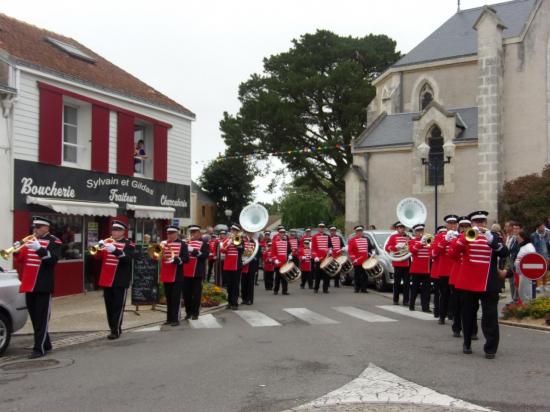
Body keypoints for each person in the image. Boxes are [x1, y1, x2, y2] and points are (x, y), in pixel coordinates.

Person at [450, 211, 508, 359]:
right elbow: (452, 254)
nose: (480, 225)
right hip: (468, 282)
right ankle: (467, 342)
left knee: (490, 316)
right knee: (468, 314)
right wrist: (464, 239)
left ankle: (490, 348)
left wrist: (493, 241)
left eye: (483, 222)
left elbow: (504, 253)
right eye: (477, 222)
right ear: (472, 224)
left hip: (488, 282)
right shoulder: (465, 236)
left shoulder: (494, 237)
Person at [13, 216, 61, 358]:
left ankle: (38, 348)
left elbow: (53, 260)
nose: (36, 230)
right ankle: (46, 343)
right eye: (34, 227)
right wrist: (16, 251)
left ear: (47, 228)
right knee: (35, 317)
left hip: (43, 285)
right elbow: (22, 260)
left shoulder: (54, 241)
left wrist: (39, 249)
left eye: (39, 227)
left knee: (42, 318)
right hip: (29, 285)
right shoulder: (29, 240)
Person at [94, 220, 135, 340]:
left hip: (120, 280)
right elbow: (97, 257)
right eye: (113, 230)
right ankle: (113, 327)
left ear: (123, 231)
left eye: (117, 230)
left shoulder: (129, 244)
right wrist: (99, 248)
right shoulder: (107, 242)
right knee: (109, 306)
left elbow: (127, 259)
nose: (114, 232)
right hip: (106, 279)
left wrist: (115, 250)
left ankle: (115, 330)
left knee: (118, 306)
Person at [154, 225, 189, 326]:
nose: (170, 235)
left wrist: (177, 260)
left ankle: (175, 319)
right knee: (168, 297)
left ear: (177, 233)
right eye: (168, 233)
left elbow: (186, 259)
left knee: (176, 298)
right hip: (166, 274)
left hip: (177, 275)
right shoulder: (163, 243)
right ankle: (169, 318)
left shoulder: (183, 244)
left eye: (172, 233)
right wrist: (157, 249)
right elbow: (155, 256)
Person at [431, 215, 459, 324]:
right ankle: (442, 316)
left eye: (454, 223)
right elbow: (434, 253)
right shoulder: (440, 236)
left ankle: (453, 315)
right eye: (450, 223)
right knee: (444, 294)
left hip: (456, 270)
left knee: (455, 296)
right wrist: (445, 240)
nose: (452, 225)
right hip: (444, 271)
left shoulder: (460, 236)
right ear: (446, 225)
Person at [183, 225, 209, 319]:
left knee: (196, 294)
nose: (193, 234)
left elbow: (204, 256)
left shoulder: (204, 243)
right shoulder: (185, 242)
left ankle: (195, 313)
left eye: (195, 232)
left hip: (197, 273)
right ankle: (188, 312)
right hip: (185, 272)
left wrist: (193, 250)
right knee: (186, 294)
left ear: (199, 233)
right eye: (191, 232)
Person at [385, 222, 410, 306]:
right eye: (400, 228)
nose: (401, 229)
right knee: (397, 283)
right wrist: (395, 247)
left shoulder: (408, 237)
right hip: (397, 263)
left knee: (407, 283)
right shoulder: (393, 237)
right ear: (397, 229)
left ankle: (406, 300)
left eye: (403, 227)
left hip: (406, 262)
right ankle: (395, 299)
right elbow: (387, 247)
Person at [408, 224, 432, 312]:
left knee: (426, 290)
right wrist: (420, 243)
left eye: (421, 230)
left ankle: (425, 307)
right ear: (415, 232)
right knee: (414, 288)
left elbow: (431, 251)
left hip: (426, 269)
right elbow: (412, 250)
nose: (420, 232)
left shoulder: (428, 240)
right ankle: (411, 305)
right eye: (418, 231)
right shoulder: (412, 241)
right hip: (416, 269)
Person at [221, 224, 245, 310]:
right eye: (232, 230)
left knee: (235, 285)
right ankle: (229, 302)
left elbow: (241, 250)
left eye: (234, 230)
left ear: (237, 232)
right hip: (227, 265)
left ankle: (235, 303)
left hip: (236, 266)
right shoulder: (227, 239)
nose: (232, 232)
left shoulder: (239, 239)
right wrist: (226, 244)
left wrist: (234, 240)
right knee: (229, 285)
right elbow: (222, 250)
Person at [348, 225, 373, 293]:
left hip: (365, 260)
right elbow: (350, 251)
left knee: (365, 275)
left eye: (361, 231)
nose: (360, 233)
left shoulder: (367, 239)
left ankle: (364, 288)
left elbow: (370, 248)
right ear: (356, 232)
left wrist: (371, 253)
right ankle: (357, 288)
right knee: (357, 275)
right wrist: (354, 258)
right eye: (358, 231)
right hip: (357, 261)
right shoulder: (352, 240)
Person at [515, 230, 537, 304]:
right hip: (522, 274)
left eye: (518, 237)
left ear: (523, 238)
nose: (517, 238)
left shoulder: (529, 248)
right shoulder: (524, 247)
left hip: (527, 275)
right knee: (522, 292)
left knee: (526, 294)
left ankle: (528, 309)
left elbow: (532, 262)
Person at [312, 223, 332, 294]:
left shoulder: (328, 236)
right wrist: (315, 256)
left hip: (326, 259)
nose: (321, 228)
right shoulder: (314, 237)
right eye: (320, 227)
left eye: (323, 227)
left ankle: (325, 289)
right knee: (318, 275)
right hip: (318, 259)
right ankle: (316, 288)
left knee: (326, 274)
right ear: (318, 228)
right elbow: (313, 249)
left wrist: (330, 250)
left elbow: (330, 246)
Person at [531, 222, 550, 294]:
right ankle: (539, 285)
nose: (543, 228)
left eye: (543, 226)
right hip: (538, 255)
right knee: (538, 270)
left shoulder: (547, 234)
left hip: (546, 255)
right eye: (541, 226)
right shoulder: (533, 235)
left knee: (546, 270)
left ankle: (545, 285)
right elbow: (532, 245)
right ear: (538, 228)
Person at [272, 227, 292, 295]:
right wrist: (275, 260)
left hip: (285, 262)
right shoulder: (275, 242)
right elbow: (273, 253)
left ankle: (284, 291)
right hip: (278, 262)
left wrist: (290, 255)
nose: (282, 234)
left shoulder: (287, 242)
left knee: (285, 277)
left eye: (283, 233)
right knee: (277, 277)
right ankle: (276, 290)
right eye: (281, 233)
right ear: (279, 233)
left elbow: (289, 251)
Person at [240, 232, 257, 305]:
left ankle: (249, 299)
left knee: (250, 283)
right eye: (249, 233)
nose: (250, 234)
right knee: (243, 282)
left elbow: (258, 253)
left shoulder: (255, 242)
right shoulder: (243, 241)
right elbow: (240, 251)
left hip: (251, 265)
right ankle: (244, 299)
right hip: (244, 264)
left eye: (251, 233)